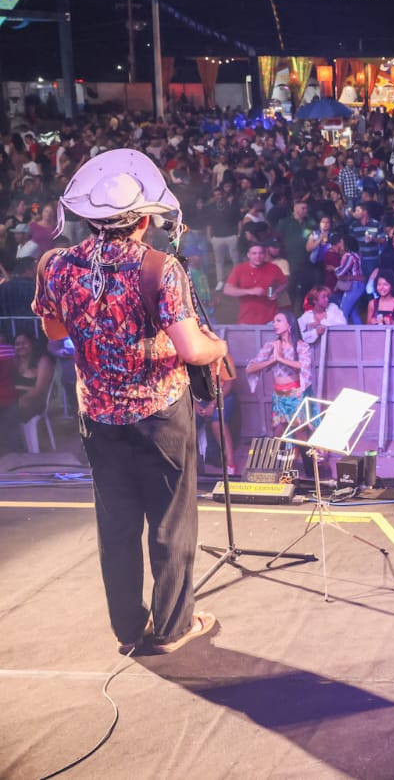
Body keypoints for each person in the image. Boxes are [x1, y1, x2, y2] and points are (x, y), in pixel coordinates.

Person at [33, 149, 229, 654]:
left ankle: (128, 628)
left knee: (116, 525)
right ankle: (171, 628)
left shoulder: (55, 265)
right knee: (170, 521)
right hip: (159, 413)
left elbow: (54, 330)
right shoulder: (159, 268)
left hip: (97, 415)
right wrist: (218, 346)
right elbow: (190, 348)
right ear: (144, 219)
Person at [245, 311, 314, 440]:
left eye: (279, 321)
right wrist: (272, 360)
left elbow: (303, 366)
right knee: (278, 432)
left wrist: (280, 359)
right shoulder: (271, 346)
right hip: (279, 396)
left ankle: (305, 459)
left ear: (290, 325)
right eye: (274, 321)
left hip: (296, 395)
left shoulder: (301, 346)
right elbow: (250, 369)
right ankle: (281, 460)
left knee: (300, 432)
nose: (274, 324)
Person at [223, 242, 282, 325]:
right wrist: (250, 291)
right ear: (248, 255)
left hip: (270, 320)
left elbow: (284, 283)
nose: (258, 256)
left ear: (264, 254)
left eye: (260, 253)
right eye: (254, 253)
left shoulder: (274, 268)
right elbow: (227, 290)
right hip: (246, 319)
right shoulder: (240, 269)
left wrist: (277, 291)